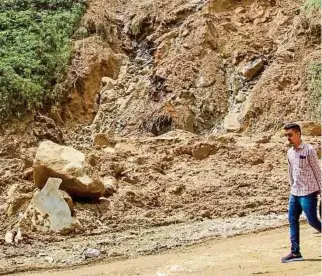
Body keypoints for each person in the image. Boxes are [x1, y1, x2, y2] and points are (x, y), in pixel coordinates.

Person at [281, 123, 321, 263]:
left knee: (312, 221)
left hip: (308, 192)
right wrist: (292, 187)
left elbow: (317, 171)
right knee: (292, 220)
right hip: (295, 192)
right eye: (286, 135)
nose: (288, 138)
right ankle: (295, 252)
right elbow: (290, 172)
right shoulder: (290, 152)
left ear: (298, 134)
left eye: (290, 135)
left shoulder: (309, 150)